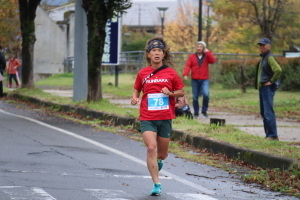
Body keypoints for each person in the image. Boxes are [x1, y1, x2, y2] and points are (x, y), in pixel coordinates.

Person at [131, 36, 185, 196]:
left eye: (159, 51)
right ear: (148, 54)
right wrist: (135, 97)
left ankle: (159, 161)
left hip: (165, 117)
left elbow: (181, 91)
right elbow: (136, 89)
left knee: (162, 154)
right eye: (153, 51)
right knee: (151, 148)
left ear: (163, 54)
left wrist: (171, 93)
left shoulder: (171, 73)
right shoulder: (143, 73)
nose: (156, 53)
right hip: (147, 117)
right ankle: (156, 184)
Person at [255, 38, 282, 141]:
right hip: (263, 88)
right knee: (264, 112)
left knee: (268, 112)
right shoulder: (264, 57)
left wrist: (271, 81)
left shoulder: (269, 57)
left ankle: (273, 135)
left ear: (269, 46)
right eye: (260, 45)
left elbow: (278, 70)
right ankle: (268, 135)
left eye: (264, 45)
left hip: (267, 88)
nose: (261, 47)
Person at [183, 41, 217, 118]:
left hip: (204, 79)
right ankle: (196, 112)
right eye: (197, 46)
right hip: (195, 79)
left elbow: (213, 61)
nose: (198, 48)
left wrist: (208, 52)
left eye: (201, 47)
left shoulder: (207, 56)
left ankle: (204, 111)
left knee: (206, 94)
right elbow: (188, 66)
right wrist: (185, 74)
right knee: (195, 97)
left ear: (204, 48)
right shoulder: (192, 56)